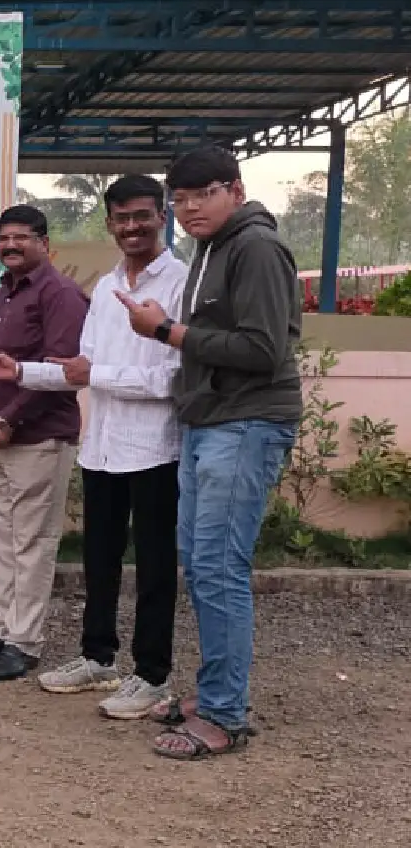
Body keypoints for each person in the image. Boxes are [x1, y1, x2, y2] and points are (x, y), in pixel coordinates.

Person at [0, 176, 185, 716]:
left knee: (155, 567)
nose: (131, 227)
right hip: (103, 447)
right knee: (99, 561)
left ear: (162, 217)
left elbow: (171, 380)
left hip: (156, 448)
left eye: (141, 216)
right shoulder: (109, 286)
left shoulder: (180, 283)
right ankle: (97, 657)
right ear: (109, 223)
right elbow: (76, 370)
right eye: (121, 218)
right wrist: (19, 370)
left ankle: (152, 675)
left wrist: (97, 375)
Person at [115, 146, 301, 759]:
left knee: (220, 568)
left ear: (236, 191)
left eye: (204, 194)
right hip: (211, 420)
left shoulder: (257, 248)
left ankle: (224, 714)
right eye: (181, 198)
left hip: (245, 423)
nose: (191, 207)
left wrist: (166, 331)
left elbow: (264, 350)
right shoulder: (213, 248)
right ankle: (216, 690)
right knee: (201, 564)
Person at [0, 204, 88, 681]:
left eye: (21, 237)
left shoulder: (60, 294)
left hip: (36, 438)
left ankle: (25, 642)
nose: (10, 246)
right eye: (3, 239)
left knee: (32, 542)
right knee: (5, 539)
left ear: (44, 243)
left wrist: (8, 419)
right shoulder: (4, 294)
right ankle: (5, 628)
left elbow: (60, 372)